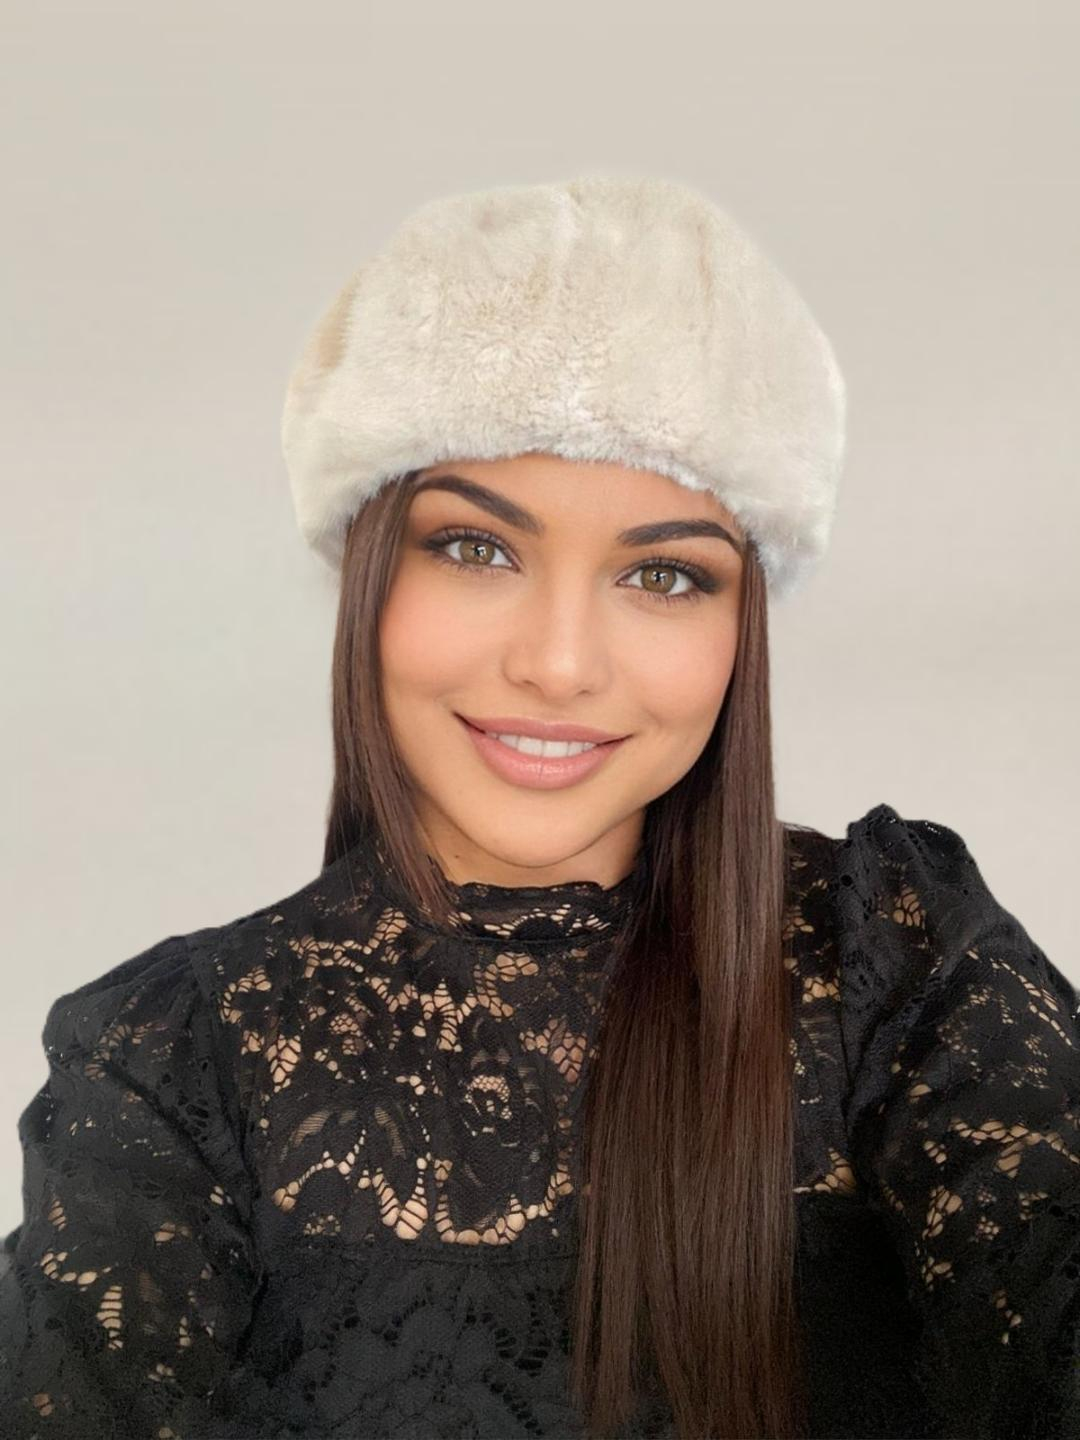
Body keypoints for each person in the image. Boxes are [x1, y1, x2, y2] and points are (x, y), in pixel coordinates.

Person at [1, 174, 1077, 1440]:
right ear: (367, 568)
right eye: (476, 548)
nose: (560, 666)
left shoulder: (896, 963)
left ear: (743, 624)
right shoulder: (175, 1066)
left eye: (663, 574)